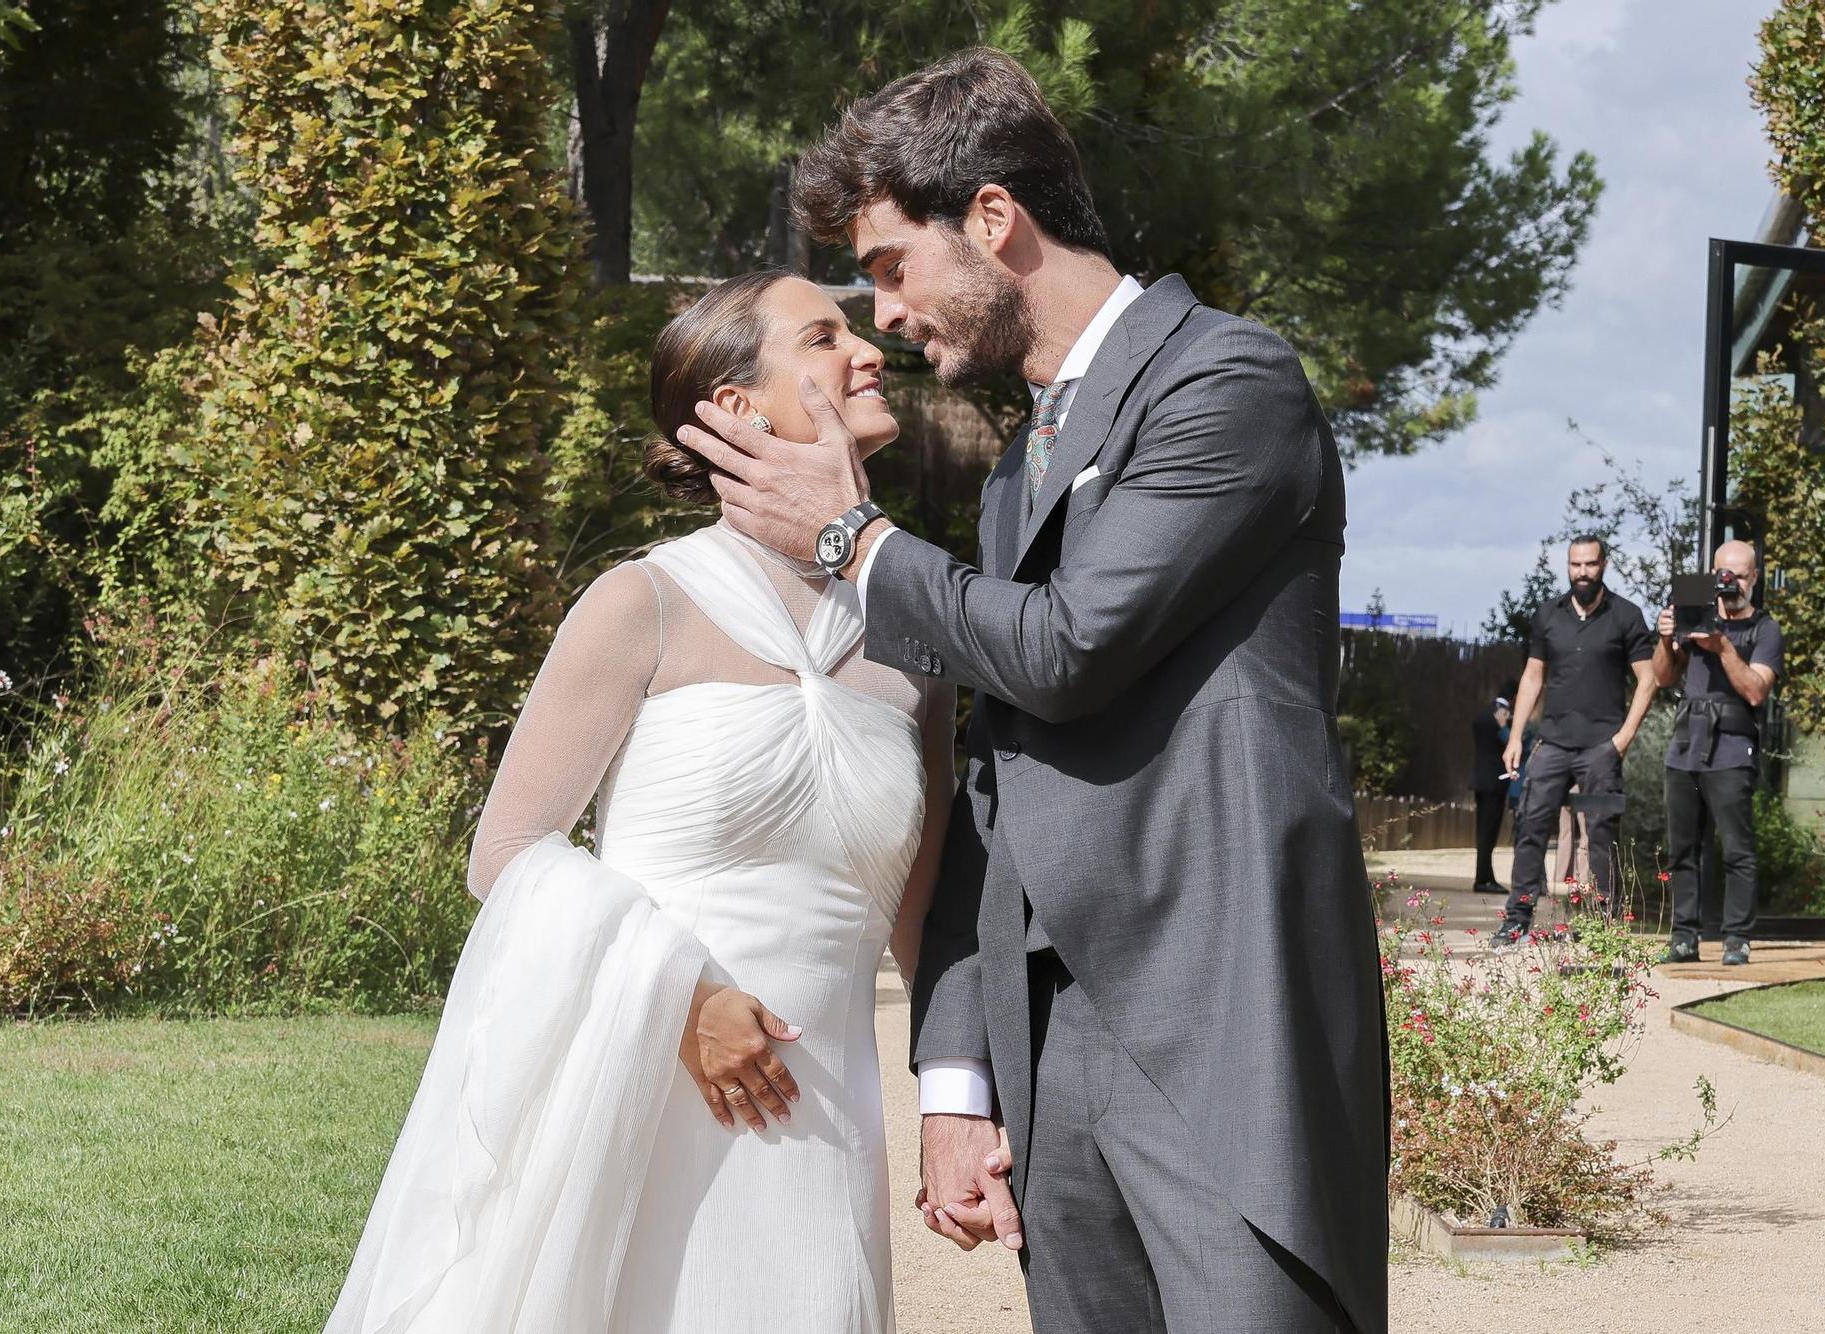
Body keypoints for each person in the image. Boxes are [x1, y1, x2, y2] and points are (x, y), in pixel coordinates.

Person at [674, 47, 1386, 1334]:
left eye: (890, 267)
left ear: (991, 219)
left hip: (1220, 1028)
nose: (886, 315)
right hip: (1049, 1060)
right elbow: (989, 789)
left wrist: (850, 540)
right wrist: (956, 1072)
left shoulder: (1225, 382)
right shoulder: (1016, 477)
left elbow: (1066, 648)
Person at [325, 270, 958, 1332]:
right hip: (639, 1087)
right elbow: (508, 848)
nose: (868, 351)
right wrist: (681, 999)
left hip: (823, 1120)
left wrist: (959, 1108)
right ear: (736, 407)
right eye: (823, 335)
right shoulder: (644, 603)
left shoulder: (917, 636)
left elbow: (926, 928)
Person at [1494, 537, 1658, 949]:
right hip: (1552, 743)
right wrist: (1516, 736)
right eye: (1575, 564)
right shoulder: (1549, 614)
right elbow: (1533, 676)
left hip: (1601, 748)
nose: (1582, 571)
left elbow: (1649, 679)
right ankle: (1517, 919)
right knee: (1530, 823)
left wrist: (1622, 739)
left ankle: (1604, 926)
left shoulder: (1626, 616)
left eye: (1589, 564)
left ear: (1604, 564)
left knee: (1601, 833)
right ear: (1567, 567)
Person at [1652, 540, 1782, 966]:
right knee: (1683, 849)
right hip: (1686, 742)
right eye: (1723, 574)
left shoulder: (1764, 629)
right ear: (1711, 575)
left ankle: (1736, 939)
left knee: (1737, 849)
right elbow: (1664, 677)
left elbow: (1756, 691)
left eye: (1740, 575)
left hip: (1730, 745)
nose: (1730, 583)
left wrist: (1723, 646)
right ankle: (1684, 937)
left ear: (1754, 578)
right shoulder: (1695, 616)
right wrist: (1668, 639)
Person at [1470, 683, 1516, 893]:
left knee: (1483, 831)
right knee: (1489, 832)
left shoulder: (1483, 713)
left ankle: (1485, 876)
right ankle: (1484, 879)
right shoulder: (1502, 715)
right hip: (1496, 781)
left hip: (1481, 779)